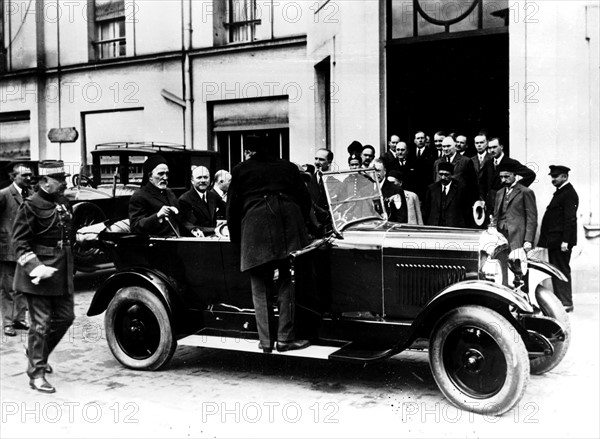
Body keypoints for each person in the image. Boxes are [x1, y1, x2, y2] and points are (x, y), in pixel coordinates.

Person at [227, 139, 311, 353]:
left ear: (250, 151)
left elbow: (232, 207)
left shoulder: (240, 169)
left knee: (259, 284)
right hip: (288, 223)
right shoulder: (289, 167)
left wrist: (237, 239)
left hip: (256, 226)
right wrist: (302, 227)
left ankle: (265, 342)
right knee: (287, 280)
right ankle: (285, 338)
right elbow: (305, 199)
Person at [11, 160, 75, 393]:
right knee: (40, 325)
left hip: (61, 271)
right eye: (60, 179)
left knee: (66, 317)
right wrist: (36, 268)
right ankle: (36, 374)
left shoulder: (63, 202)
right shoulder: (30, 205)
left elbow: (66, 235)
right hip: (37, 275)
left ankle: (37, 352)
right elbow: (19, 243)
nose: (65, 183)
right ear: (44, 182)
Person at [537, 165, 579, 312]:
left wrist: (566, 241)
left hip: (561, 242)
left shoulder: (569, 193)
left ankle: (566, 302)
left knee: (561, 270)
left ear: (565, 177)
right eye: (552, 177)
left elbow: (570, 219)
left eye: (556, 176)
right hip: (555, 241)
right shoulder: (562, 192)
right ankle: (563, 301)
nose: (553, 179)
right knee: (557, 270)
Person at [1, 162, 33, 337]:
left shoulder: (31, 195)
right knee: (7, 288)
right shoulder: (4, 195)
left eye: (30, 175)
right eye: (24, 175)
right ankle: (7, 323)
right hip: (7, 250)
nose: (29, 178)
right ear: (13, 177)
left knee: (22, 286)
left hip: (26, 249)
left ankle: (19, 319)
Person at [481, 137, 536, 215]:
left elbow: (530, 175)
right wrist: (483, 199)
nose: (492, 150)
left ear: (501, 147)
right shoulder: (488, 163)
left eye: (494, 147)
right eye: (490, 148)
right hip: (490, 204)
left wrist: (515, 189)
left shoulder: (511, 162)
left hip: (506, 202)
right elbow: (482, 183)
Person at [129, 155, 182, 236]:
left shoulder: (169, 192)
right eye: (161, 174)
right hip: (156, 243)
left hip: (176, 240)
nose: (165, 177)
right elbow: (135, 227)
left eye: (167, 174)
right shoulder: (139, 196)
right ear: (150, 176)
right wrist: (157, 216)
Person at [493, 160, 538, 252]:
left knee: (516, 262)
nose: (503, 180)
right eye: (501, 177)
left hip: (517, 236)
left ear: (514, 175)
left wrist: (528, 240)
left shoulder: (525, 192)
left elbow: (531, 218)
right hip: (500, 235)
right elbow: (496, 215)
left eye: (506, 176)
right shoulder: (499, 193)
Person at [179, 166, 225, 237]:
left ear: (210, 179)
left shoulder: (213, 196)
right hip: (197, 241)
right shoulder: (184, 200)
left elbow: (227, 209)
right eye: (199, 177)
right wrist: (216, 229)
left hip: (214, 238)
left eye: (206, 177)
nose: (203, 180)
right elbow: (191, 226)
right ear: (192, 180)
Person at [423, 162, 470, 227]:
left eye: (446, 175)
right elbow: (426, 210)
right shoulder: (432, 189)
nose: (443, 177)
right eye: (440, 174)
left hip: (454, 228)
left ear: (452, 175)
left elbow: (466, 211)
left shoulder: (461, 189)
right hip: (435, 227)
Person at [308, 148, 334, 234]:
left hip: (328, 226)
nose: (317, 162)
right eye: (316, 158)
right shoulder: (308, 181)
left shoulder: (335, 182)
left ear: (329, 162)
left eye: (321, 159)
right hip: (312, 226)